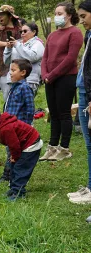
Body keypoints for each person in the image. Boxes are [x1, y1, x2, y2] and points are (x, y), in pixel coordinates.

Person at [40, 2, 83, 162]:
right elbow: (45, 57)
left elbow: (70, 59)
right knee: (54, 113)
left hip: (65, 78)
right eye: (56, 13)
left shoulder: (75, 33)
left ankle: (64, 148)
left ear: (69, 15)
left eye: (60, 13)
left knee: (64, 113)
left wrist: (52, 75)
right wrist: (45, 74)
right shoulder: (52, 35)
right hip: (49, 78)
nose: (57, 16)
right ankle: (52, 147)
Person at [0, 107, 43, 201]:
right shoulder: (0, 125)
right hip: (23, 145)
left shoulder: (6, 129)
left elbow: (14, 145)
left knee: (20, 168)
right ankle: (14, 189)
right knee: (13, 166)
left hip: (31, 145)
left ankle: (19, 193)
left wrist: (15, 156)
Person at [69, 1, 91, 205]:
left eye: (84, 16)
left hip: (89, 95)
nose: (81, 20)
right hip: (83, 90)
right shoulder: (89, 35)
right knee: (89, 145)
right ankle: (90, 187)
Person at [0, 59, 35, 182]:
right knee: (10, 149)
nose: (10, 73)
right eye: (10, 70)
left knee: (14, 151)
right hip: (10, 126)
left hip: (18, 128)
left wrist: (26, 126)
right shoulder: (14, 87)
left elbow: (30, 109)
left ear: (23, 72)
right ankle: (8, 173)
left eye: (13, 70)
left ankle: (9, 175)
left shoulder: (25, 88)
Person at [4, 22, 45, 96]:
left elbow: (33, 57)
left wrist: (17, 45)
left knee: (25, 105)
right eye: (21, 31)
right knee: (10, 104)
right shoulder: (18, 43)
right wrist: (8, 49)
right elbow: (7, 62)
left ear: (34, 32)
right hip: (13, 79)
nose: (22, 33)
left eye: (25, 31)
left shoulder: (38, 44)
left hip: (29, 80)